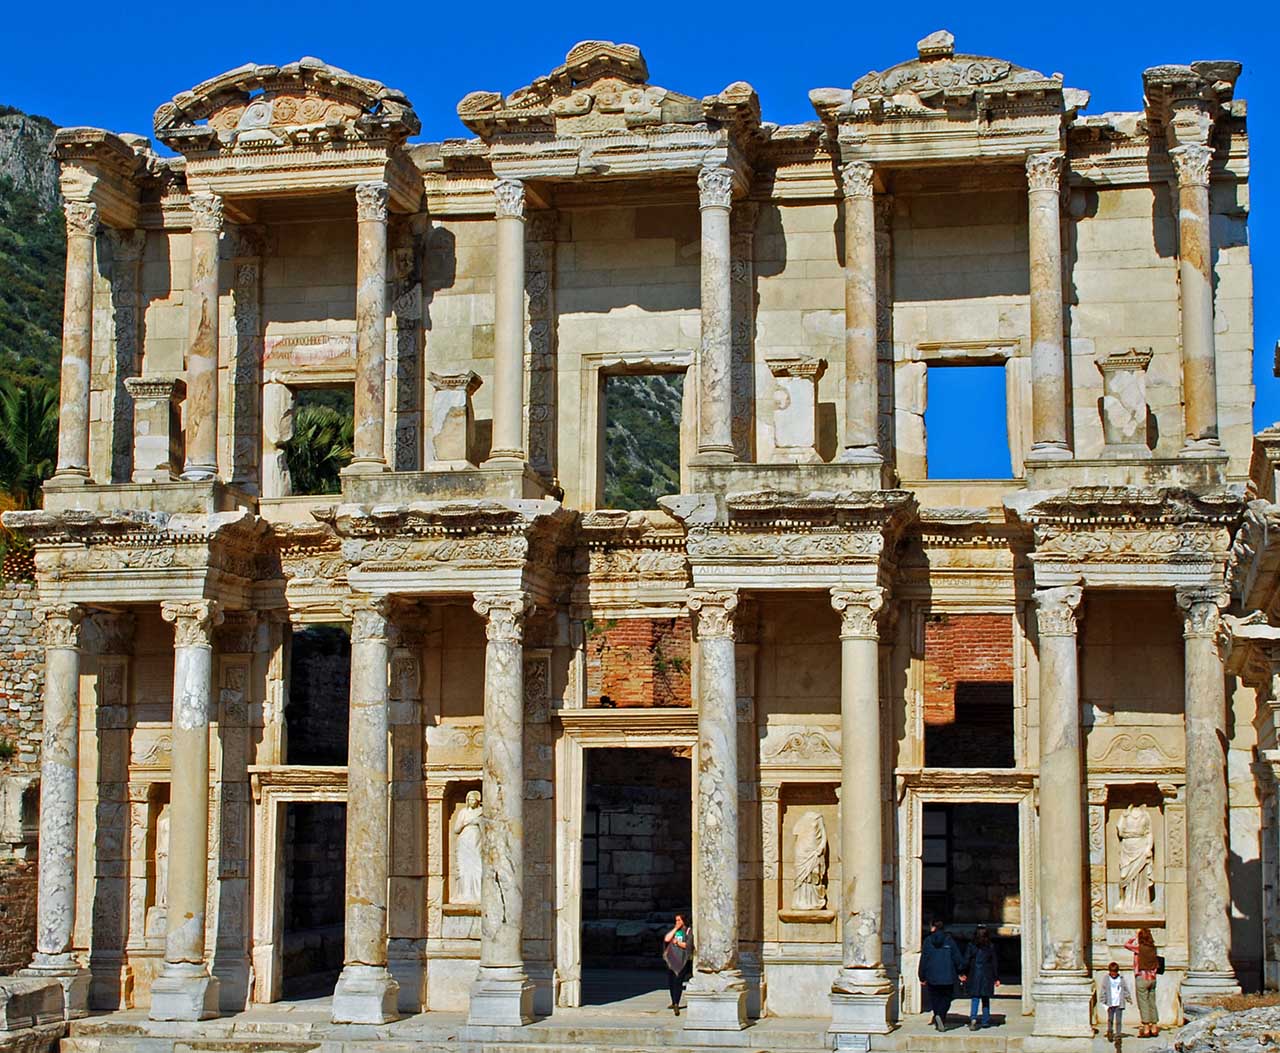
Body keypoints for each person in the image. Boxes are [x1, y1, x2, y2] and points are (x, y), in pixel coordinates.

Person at [918, 919, 966, 1032]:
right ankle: (941, 1015)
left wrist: (922, 976)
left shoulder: (928, 941)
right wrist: (961, 971)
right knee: (947, 998)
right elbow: (957, 958)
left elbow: (924, 959)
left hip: (932, 975)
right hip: (947, 975)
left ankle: (937, 1014)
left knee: (935, 998)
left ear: (933, 928)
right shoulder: (949, 941)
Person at [1124, 927, 1160, 1037]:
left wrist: (1135, 936)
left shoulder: (1139, 948)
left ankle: (1146, 1028)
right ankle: (1154, 1027)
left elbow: (1126, 944)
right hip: (1153, 978)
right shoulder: (1153, 948)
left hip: (1142, 978)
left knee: (1143, 1003)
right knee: (1152, 1002)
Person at [963, 925, 1000, 1030]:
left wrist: (963, 972)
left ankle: (973, 1018)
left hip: (974, 974)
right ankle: (985, 1020)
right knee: (985, 998)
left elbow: (966, 960)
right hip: (987, 974)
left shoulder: (971, 945)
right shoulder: (990, 946)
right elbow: (994, 963)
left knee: (975, 998)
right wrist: (996, 977)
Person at [663, 913, 693, 1015]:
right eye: (676, 920)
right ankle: (673, 1001)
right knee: (671, 981)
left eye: (679, 920)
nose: (677, 922)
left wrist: (677, 943)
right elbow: (667, 939)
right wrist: (675, 928)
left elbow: (688, 945)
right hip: (672, 960)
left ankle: (676, 1002)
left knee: (678, 982)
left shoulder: (688, 931)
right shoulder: (676, 931)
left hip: (682, 960)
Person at [1099, 960, 1130, 1042]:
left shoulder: (1121, 979)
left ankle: (1118, 1034)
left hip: (1119, 1003)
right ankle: (1110, 1031)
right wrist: (1103, 1000)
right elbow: (1103, 990)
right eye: (1112, 972)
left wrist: (1128, 998)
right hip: (1110, 1003)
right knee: (1110, 1019)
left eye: (1115, 972)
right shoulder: (1106, 979)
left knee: (1118, 1020)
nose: (1113, 974)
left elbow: (1125, 989)